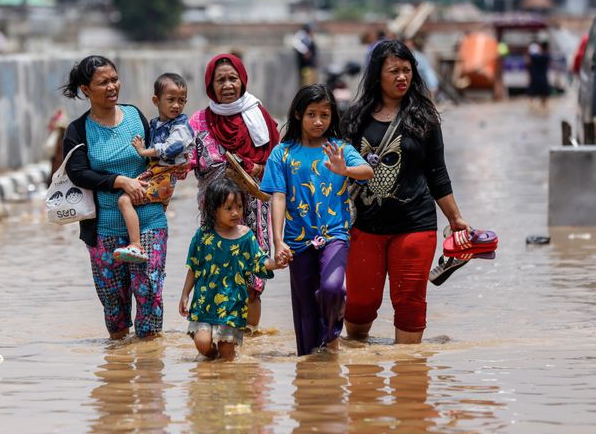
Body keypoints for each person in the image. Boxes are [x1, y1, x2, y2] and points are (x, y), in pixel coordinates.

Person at [340, 39, 470, 345]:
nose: (402, 77)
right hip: (365, 225)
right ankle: (362, 379)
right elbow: (336, 171)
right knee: (360, 306)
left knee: (410, 304)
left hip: (415, 224)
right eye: (394, 71)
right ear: (377, 75)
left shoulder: (424, 118)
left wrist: (456, 219)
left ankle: (409, 382)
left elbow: (437, 173)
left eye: (407, 70)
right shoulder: (354, 118)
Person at [260, 84, 374, 356]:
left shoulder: (339, 149)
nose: (319, 121)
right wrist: (277, 242)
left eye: (325, 114)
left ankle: (333, 337)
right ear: (298, 114)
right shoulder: (282, 153)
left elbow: (368, 171)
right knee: (306, 319)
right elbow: (278, 197)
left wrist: (344, 169)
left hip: (335, 235)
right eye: (312, 114)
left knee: (332, 287)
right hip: (297, 241)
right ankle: (312, 385)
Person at [61, 55, 167, 340]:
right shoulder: (78, 130)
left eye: (114, 79)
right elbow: (78, 172)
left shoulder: (135, 116)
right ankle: (118, 375)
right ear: (86, 89)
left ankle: (149, 368)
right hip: (105, 229)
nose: (112, 87)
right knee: (114, 306)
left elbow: (156, 159)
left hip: (149, 221)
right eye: (103, 82)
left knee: (149, 296)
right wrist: (118, 181)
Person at [188, 53, 281, 331]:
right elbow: (184, 161)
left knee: (252, 278)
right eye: (220, 80)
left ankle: (248, 343)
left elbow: (279, 165)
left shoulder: (260, 116)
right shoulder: (198, 122)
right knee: (212, 275)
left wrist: (252, 168)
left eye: (233, 78)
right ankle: (215, 339)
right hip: (214, 214)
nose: (228, 85)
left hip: (253, 211)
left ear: (242, 81)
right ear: (210, 86)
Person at [178, 178, 282, 360]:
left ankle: (224, 376)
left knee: (227, 356)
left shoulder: (246, 236)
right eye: (228, 208)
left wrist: (277, 262)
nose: (236, 213)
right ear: (213, 209)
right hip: (205, 302)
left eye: (239, 207)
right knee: (203, 344)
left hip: (233, 305)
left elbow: (259, 262)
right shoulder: (203, 236)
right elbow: (193, 267)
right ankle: (210, 358)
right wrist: (185, 294)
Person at [114, 72, 194, 263]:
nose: (176, 105)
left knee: (124, 201)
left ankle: (135, 245)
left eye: (181, 101)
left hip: (164, 177)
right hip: (157, 175)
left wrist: (143, 151)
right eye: (171, 100)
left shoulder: (180, 126)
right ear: (156, 100)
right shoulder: (155, 124)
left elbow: (171, 148)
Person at [526, 41, 551, 109]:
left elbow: (528, 62)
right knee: (544, 95)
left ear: (541, 47)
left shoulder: (535, 56)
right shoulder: (547, 56)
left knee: (532, 95)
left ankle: (531, 107)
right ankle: (543, 107)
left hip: (535, 77)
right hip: (543, 78)